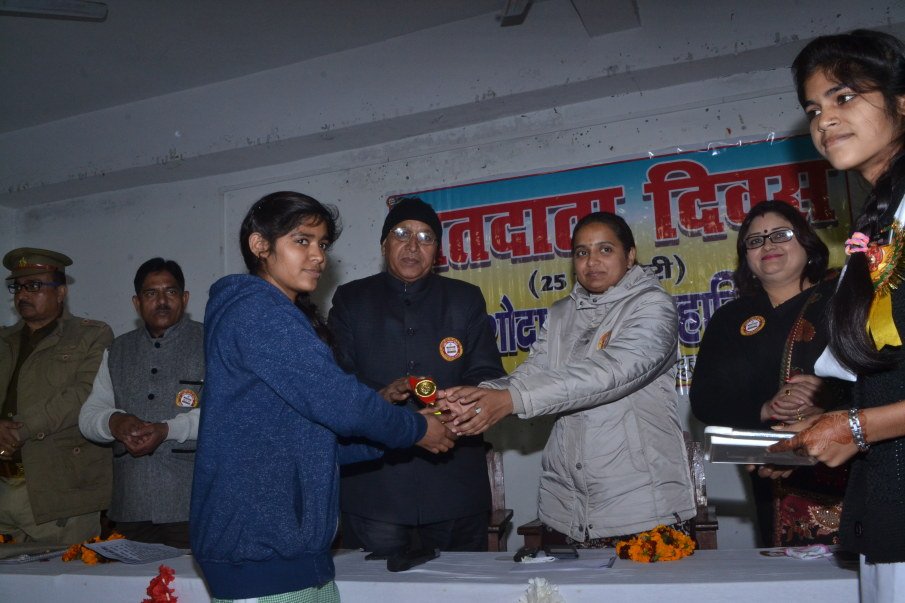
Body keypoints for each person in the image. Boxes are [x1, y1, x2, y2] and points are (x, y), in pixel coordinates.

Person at [190, 191, 455, 602]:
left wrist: (392, 434)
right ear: (260, 245)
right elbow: (343, 404)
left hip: (291, 555)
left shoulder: (276, 314)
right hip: (260, 556)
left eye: (323, 244)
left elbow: (314, 439)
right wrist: (416, 428)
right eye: (302, 241)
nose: (318, 256)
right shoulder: (257, 312)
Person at [438, 212, 696, 546]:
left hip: (642, 506)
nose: (592, 261)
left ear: (630, 255)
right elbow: (532, 373)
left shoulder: (653, 306)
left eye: (605, 249)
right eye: (581, 252)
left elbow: (609, 373)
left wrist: (510, 400)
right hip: (566, 509)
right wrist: (477, 397)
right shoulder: (562, 313)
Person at [768, 29, 905, 602]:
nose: (824, 120)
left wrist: (857, 426)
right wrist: (833, 428)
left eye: (844, 96)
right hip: (888, 500)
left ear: (902, 103)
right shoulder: (877, 227)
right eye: (813, 109)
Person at [328, 196, 505, 556]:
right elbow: (337, 382)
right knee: (377, 587)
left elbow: (488, 374)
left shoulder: (465, 299)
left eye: (426, 237)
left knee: (459, 585)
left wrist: (452, 410)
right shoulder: (351, 299)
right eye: (401, 234)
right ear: (384, 244)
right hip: (377, 490)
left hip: (454, 484)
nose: (413, 246)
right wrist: (385, 400)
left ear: (437, 251)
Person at [690, 200, 849, 547]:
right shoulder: (731, 319)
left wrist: (825, 397)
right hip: (771, 473)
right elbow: (705, 399)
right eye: (755, 240)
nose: (768, 245)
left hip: (852, 463)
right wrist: (765, 408)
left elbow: (880, 377)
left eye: (781, 234)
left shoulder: (843, 300)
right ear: (746, 257)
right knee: (787, 573)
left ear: (807, 243)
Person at [79, 258, 203, 548]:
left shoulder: (211, 341)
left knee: (192, 579)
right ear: (137, 302)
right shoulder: (118, 349)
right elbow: (89, 414)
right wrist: (114, 422)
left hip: (191, 504)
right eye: (151, 293)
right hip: (130, 506)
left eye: (170, 292)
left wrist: (166, 430)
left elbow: (224, 415)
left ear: (185, 298)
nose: (161, 301)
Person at [0, 247, 113, 544]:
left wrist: (20, 429)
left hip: (60, 491)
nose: (23, 294)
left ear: (61, 292)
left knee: (67, 572)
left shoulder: (91, 335)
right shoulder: (3, 340)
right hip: (5, 486)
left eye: (34, 285)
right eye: (17, 287)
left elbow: (83, 395)